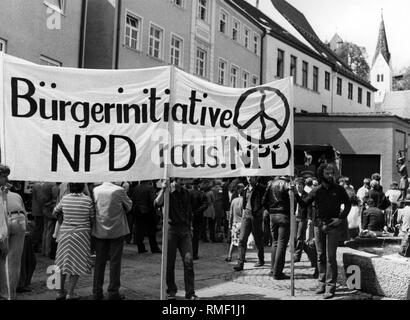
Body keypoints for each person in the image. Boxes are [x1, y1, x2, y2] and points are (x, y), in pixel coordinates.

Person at [295, 163, 351, 299]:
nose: (330, 175)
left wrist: (340, 218)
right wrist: (295, 194)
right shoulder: (317, 190)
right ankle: (321, 283)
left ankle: (330, 287)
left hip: (333, 225)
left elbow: (348, 204)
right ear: (321, 174)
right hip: (318, 225)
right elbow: (304, 203)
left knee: (330, 257)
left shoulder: (339, 189)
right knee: (320, 256)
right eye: (327, 173)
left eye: (331, 173)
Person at [154, 178, 198, 300]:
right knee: (169, 263)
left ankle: (190, 292)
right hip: (171, 230)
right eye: (181, 178)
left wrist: (191, 227)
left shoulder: (185, 192)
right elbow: (157, 203)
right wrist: (163, 190)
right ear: (175, 179)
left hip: (185, 230)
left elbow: (189, 210)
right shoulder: (167, 190)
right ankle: (171, 289)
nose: (183, 180)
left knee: (189, 261)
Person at [53, 183, 95, 300]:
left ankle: (59, 292)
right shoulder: (88, 200)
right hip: (82, 235)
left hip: (66, 233)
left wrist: (63, 221)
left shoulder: (65, 198)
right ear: (83, 187)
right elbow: (92, 218)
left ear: (69, 188)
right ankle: (70, 294)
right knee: (76, 263)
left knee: (61, 262)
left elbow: (55, 211)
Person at [92, 182, 132, 300]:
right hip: (117, 230)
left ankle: (97, 291)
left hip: (100, 230)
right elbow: (129, 206)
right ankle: (113, 291)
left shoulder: (96, 190)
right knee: (115, 263)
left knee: (99, 262)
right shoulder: (119, 190)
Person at [0, 165, 28, 300]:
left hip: (6, 222)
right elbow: (24, 215)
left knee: (3, 260)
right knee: (14, 262)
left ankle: (6, 293)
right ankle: (11, 295)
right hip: (18, 219)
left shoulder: (4, 193)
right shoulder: (14, 195)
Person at [233, 177, 266, 272]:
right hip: (246, 215)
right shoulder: (245, 189)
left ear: (256, 178)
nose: (249, 179)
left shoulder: (261, 188)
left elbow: (265, 201)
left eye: (251, 177)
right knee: (242, 239)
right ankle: (240, 263)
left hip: (256, 216)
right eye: (248, 177)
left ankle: (261, 259)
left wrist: (261, 211)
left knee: (258, 238)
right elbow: (244, 202)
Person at [263, 176, 291, 279]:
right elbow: (293, 200)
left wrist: (270, 210)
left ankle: (273, 269)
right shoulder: (287, 184)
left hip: (273, 215)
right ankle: (277, 272)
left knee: (275, 242)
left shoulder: (270, 184)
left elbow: (264, 201)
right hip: (283, 215)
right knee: (281, 243)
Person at [129, 180, 161, 254]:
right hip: (148, 212)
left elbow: (132, 199)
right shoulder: (150, 188)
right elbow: (153, 200)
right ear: (148, 180)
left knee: (139, 231)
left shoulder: (135, 188)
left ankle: (141, 248)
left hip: (137, 211)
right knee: (151, 231)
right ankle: (154, 248)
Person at [293, 178, 312, 263]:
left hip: (302, 218)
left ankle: (297, 256)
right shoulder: (293, 195)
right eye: (297, 185)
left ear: (303, 186)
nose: (298, 186)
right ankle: (311, 253)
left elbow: (309, 208)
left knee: (300, 237)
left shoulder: (307, 195)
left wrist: (310, 218)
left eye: (299, 185)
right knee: (295, 238)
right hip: (294, 218)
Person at [225, 183, 245, 262]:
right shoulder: (244, 201)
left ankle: (229, 256)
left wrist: (229, 224)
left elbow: (231, 214)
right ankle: (241, 257)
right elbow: (244, 214)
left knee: (233, 241)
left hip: (235, 223)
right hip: (242, 223)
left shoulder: (233, 201)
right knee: (242, 241)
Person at [189, 179, 207, 260]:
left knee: (188, 236)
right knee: (195, 237)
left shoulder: (188, 193)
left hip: (188, 217)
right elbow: (205, 205)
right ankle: (194, 254)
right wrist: (197, 212)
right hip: (198, 217)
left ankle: (188, 253)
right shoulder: (201, 194)